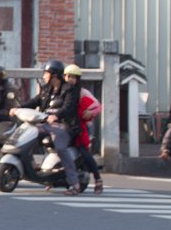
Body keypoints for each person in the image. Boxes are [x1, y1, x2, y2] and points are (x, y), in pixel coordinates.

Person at [11, 59, 82, 195]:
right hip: (46, 124)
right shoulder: (46, 89)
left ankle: (75, 184)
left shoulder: (69, 89)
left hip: (63, 126)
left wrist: (57, 116)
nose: (44, 76)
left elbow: (69, 108)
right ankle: (34, 168)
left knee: (61, 149)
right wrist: (18, 108)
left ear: (54, 75)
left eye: (46, 73)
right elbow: (35, 101)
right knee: (27, 135)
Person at [64, 64, 104, 195]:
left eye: (73, 77)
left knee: (84, 152)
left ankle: (98, 179)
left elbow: (97, 106)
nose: (70, 79)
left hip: (79, 128)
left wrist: (89, 112)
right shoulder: (63, 90)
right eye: (68, 76)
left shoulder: (82, 92)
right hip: (65, 127)